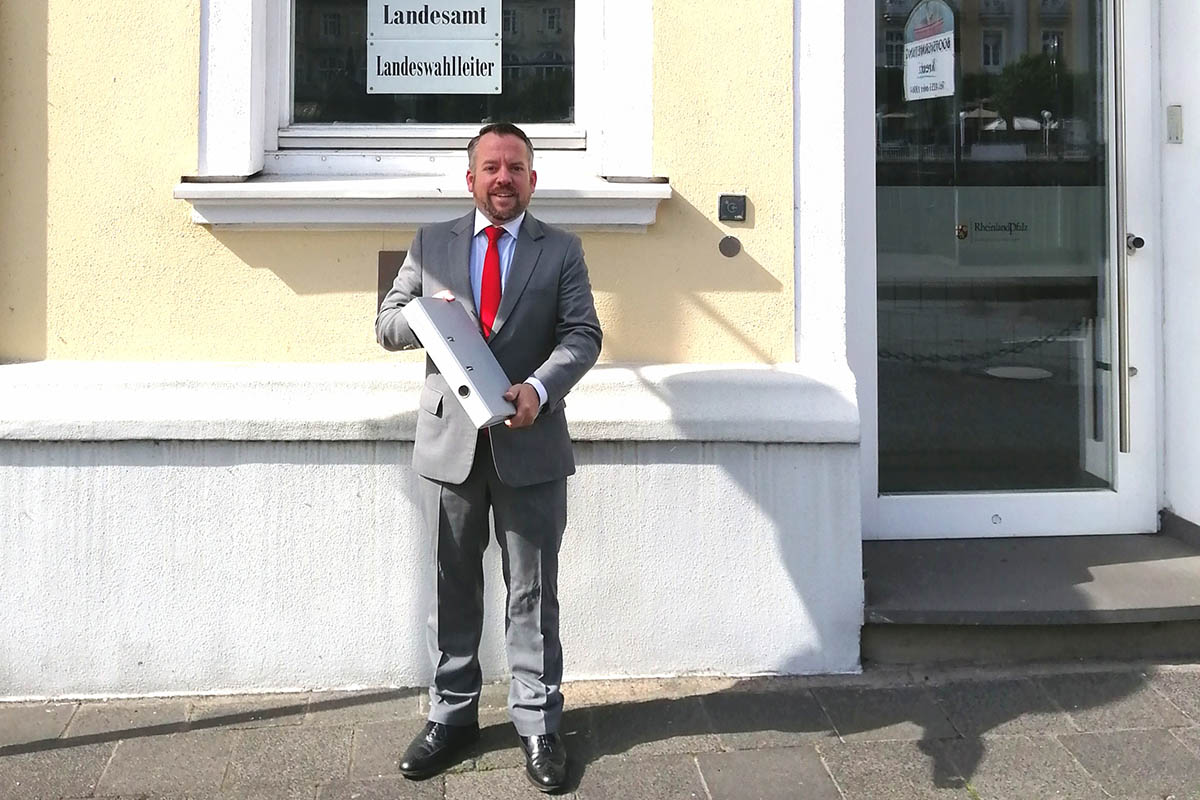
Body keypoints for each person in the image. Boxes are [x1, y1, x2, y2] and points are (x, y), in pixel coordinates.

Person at [375, 122, 602, 793]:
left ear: (533, 179)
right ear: (470, 178)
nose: (504, 179)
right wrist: (423, 312)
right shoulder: (430, 243)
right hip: (451, 447)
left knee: (532, 593)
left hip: (530, 443)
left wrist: (538, 388)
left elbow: (583, 333)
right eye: (492, 168)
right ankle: (452, 717)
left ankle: (537, 723)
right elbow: (386, 325)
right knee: (453, 587)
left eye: (517, 168)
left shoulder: (561, 250)